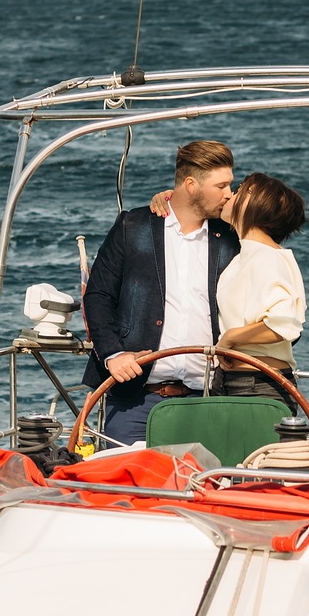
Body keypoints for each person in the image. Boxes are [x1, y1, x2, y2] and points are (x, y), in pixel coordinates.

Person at [82, 140, 240, 445]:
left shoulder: (231, 236)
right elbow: (98, 295)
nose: (228, 193)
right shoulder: (132, 226)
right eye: (221, 185)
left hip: (209, 399)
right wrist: (113, 355)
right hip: (135, 400)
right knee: (127, 489)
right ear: (191, 186)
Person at [211, 172, 307, 414]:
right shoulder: (249, 256)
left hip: (258, 386)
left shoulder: (265, 257)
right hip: (238, 383)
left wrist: (231, 338)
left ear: (255, 202)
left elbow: (282, 326)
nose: (231, 194)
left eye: (242, 188)